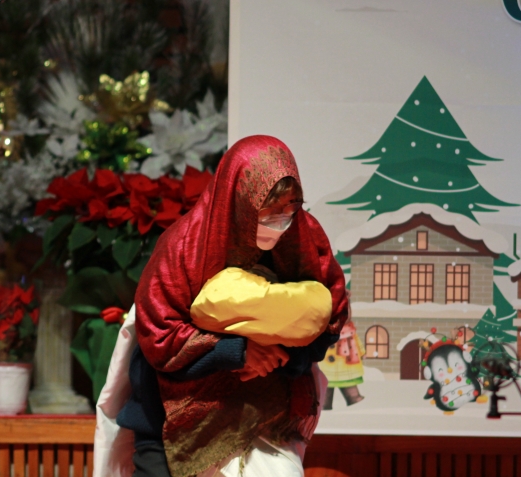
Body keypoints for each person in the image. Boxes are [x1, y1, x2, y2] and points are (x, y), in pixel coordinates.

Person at [97, 135, 348, 477]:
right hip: (172, 422)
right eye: (269, 210)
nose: (281, 221)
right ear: (240, 199)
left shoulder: (303, 237)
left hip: (266, 417)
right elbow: (160, 336)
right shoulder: (185, 247)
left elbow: (328, 317)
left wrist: (280, 356)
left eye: (291, 207)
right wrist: (236, 352)